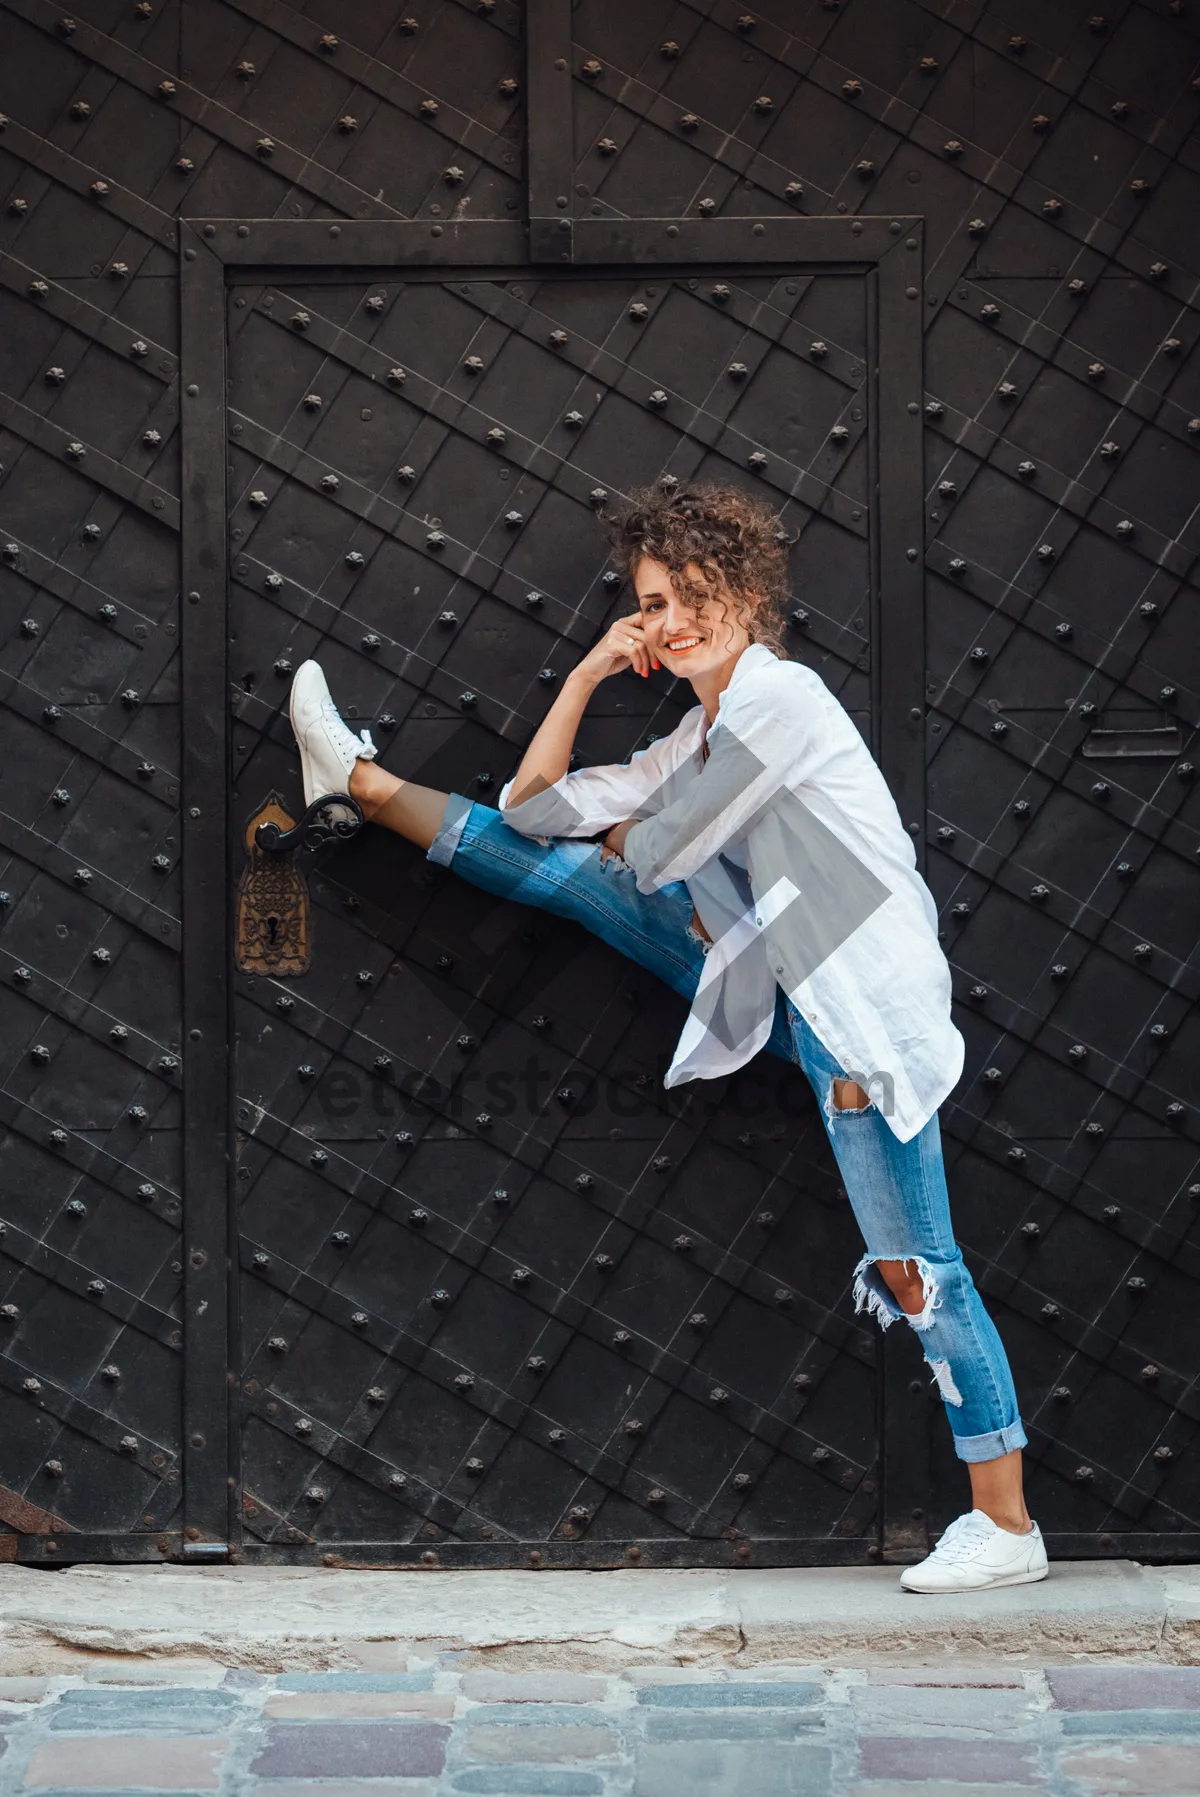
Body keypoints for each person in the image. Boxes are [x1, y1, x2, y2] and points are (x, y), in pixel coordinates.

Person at [287, 481, 1046, 1594]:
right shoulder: (700, 730)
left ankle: (1006, 1521)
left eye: (696, 594)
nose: (675, 618)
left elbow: (659, 851)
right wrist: (595, 670)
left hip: (862, 1017)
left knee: (914, 1266)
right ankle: (351, 776)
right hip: (778, 982)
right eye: (652, 602)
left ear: (748, 594)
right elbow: (535, 803)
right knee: (565, 868)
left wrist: (641, 834)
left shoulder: (783, 702)